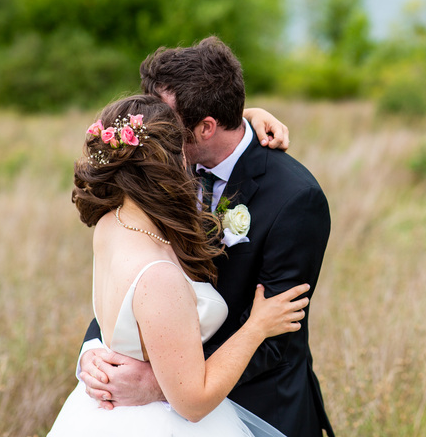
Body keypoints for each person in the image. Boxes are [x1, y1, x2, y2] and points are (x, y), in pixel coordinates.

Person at [78, 37, 335, 437]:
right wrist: (93, 350)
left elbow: (278, 331)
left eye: (167, 120)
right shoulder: (160, 173)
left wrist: (162, 384)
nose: (148, 128)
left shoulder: (295, 199)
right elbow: (133, 276)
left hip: (257, 407)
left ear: (206, 127)